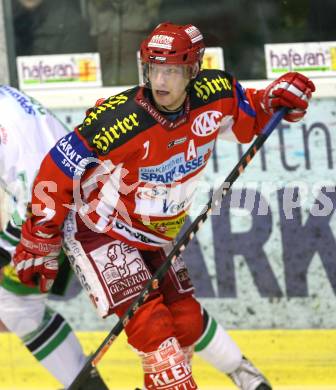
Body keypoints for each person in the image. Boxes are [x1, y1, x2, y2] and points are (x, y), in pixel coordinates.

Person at [12, 22, 315, 390]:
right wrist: (39, 239)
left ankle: (246, 376)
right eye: (154, 69)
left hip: (156, 230)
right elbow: (56, 170)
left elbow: (250, 113)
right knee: (155, 333)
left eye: (171, 71)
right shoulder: (118, 121)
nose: (160, 80)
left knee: (185, 320)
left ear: (192, 71)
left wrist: (275, 102)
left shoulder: (215, 93)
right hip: (100, 231)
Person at [0, 85, 108, 389]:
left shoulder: (8, 127)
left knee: (17, 308)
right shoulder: (6, 96)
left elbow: (41, 200)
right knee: (17, 307)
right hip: (73, 203)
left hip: (66, 215)